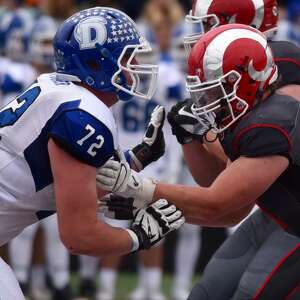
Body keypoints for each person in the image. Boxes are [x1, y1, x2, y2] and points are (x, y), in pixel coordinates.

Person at [96, 23, 300, 299]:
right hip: (278, 214)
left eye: (215, 90)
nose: (208, 101)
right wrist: (189, 138)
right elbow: (229, 210)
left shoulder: (275, 119)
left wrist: (141, 190)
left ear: (248, 79)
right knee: (206, 293)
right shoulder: (252, 113)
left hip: (294, 227)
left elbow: (218, 203)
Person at [0, 7, 185, 300]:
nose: (136, 65)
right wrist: (138, 238)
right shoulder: (83, 113)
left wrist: (138, 158)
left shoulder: (60, 91)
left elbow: (77, 181)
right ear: (96, 65)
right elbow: (79, 236)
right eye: (127, 58)